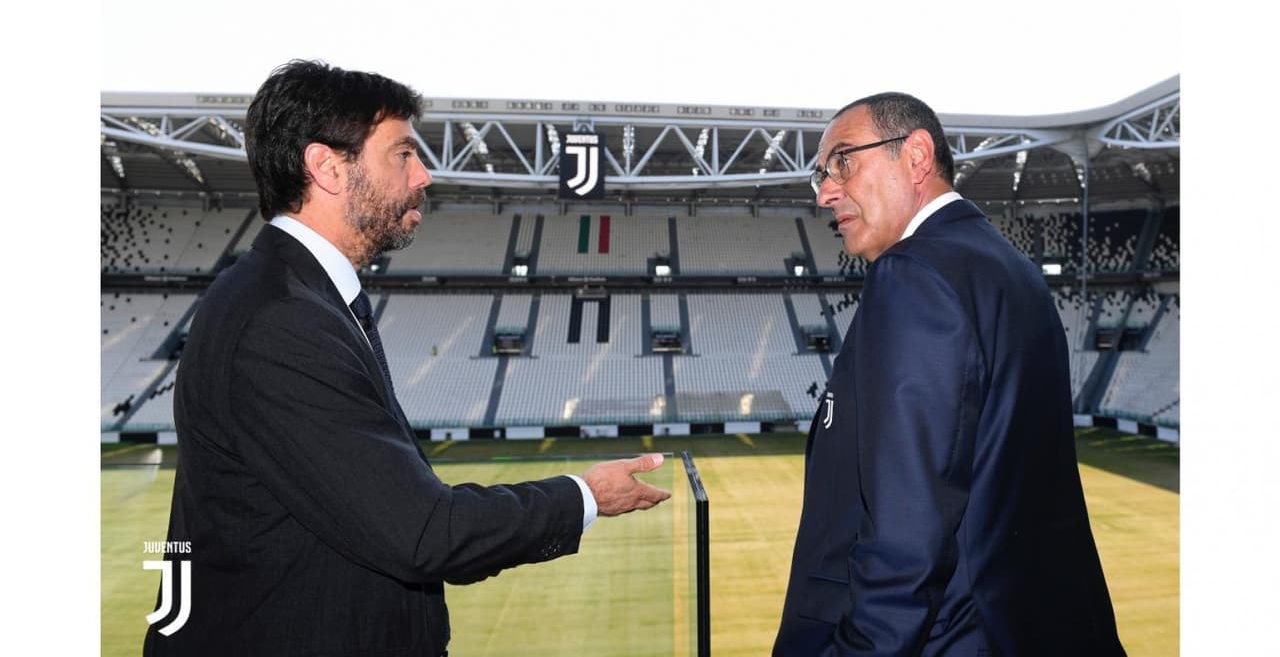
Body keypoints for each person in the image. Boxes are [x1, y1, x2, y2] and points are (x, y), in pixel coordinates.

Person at [142, 60, 670, 656]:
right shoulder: (283, 319)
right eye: (403, 154)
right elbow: (423, 533)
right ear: (327, 167)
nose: (424, 175)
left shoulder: (297, 295)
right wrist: (587, 495)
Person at [773, 93, 1125, 656]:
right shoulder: (1013, 270)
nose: (824, 193)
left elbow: (907, 534)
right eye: (820, 175)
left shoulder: (912, 274)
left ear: (916, 156)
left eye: (843, 162)